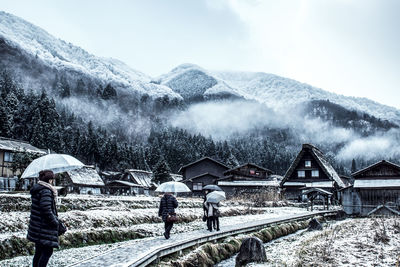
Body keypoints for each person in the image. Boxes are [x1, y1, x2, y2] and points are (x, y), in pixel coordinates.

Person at [27, 170, 64, 267]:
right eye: (52, 179)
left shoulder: (38, 189)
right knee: (47, 251)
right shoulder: (46, 191)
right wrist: (55, 222)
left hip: (37, 226)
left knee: (39, 251)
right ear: (49, 180)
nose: (53, 181)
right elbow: (46, 209)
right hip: (44, 227)